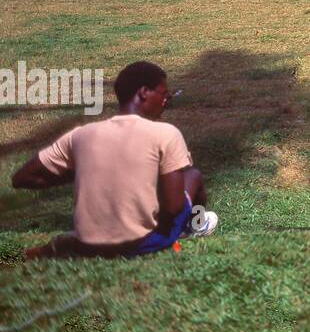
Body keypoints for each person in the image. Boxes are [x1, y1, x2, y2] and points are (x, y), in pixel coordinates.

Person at [12, 61, 218, 258]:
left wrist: (79, 174)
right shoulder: (165, 133)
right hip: (140, 243)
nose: (166, 101)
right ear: (144, 92)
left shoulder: (81, 135)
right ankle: (196, 223)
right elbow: (173, 207)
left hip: (86, 244)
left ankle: (10, 257)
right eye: (164, 94)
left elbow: (21, 178)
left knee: (53, 247)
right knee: (193, 175)